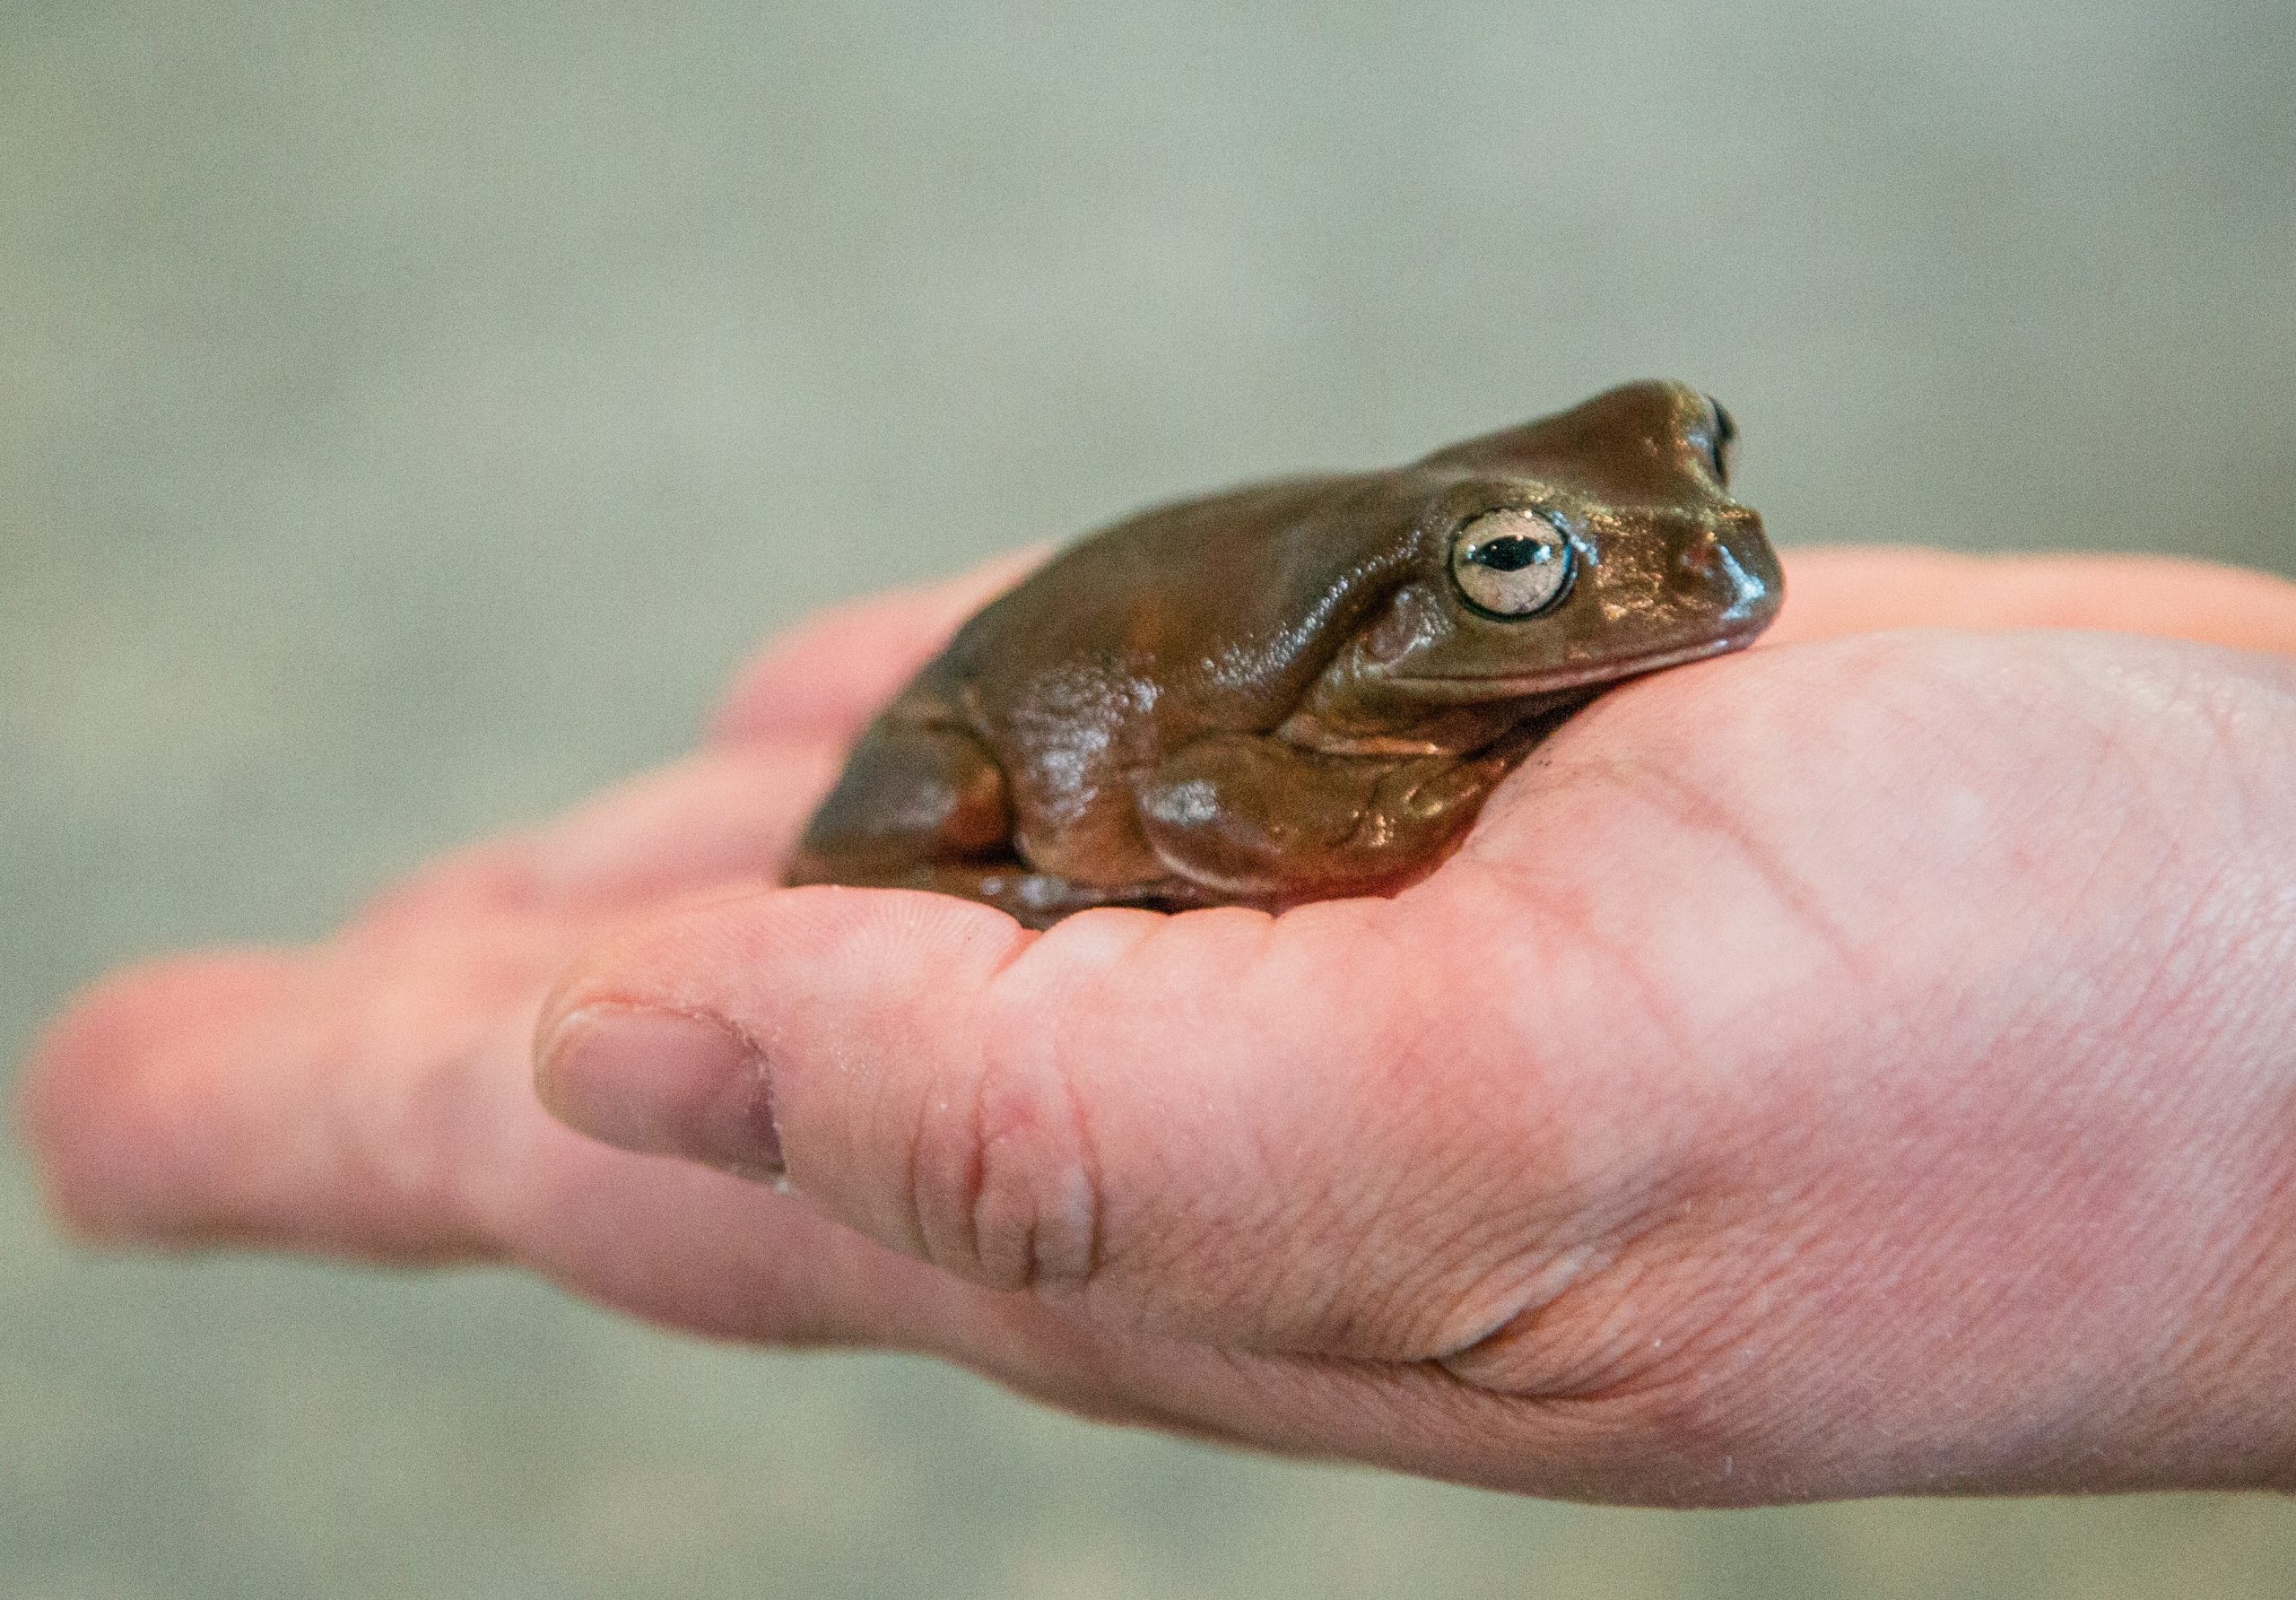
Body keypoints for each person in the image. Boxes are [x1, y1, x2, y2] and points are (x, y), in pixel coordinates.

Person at [19, 547, 2296, 1505]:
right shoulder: (1297, 701)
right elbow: (1196, 787)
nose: (1691, 569)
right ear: (1434, 591)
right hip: (1028, 741)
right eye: (1524, 575)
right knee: (905, 765)